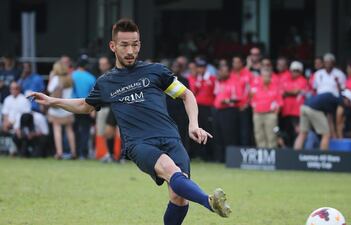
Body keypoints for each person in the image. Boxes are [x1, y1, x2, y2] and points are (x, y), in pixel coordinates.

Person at [29, 18, 231, 224]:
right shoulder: (106, 82)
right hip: (139, 144)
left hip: (171, 138)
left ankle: (204, 201)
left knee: (179, 197)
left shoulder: (156, 72)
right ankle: (209, 202)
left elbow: (187, 95)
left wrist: (194, 124)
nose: (130, 51)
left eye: (135, 44)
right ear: (113, 46)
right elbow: (85, 105)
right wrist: (52, 100)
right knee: (172, 171)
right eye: (124, 45)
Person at [187, 58, 216, 161]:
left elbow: (215, 93)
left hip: (208, 108)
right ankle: (199, 154)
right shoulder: (193, 78)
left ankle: (209, 155)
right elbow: (190, 93)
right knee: (197, 130)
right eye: (198, 67)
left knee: (208, 130)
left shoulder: (212, 79)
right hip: (196, 108)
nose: (200, 69)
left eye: (202, 67)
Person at [47, 61, 76, 159]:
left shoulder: (55, 79)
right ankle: (73, 152)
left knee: (57, 130)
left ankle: (59, 152)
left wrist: (51, 78)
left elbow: (49, 89)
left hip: (57, 108)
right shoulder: (69, 78)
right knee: (69, 130)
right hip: (68, 107)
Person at [213, 63, 241, 162]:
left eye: (223, 71)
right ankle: (219, 159)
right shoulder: (219, 82)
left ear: (228, 72)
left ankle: (231, 159)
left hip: (229, 111)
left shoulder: (234, 82)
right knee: (218, 134)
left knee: (229, 135)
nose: (221, 73)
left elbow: (238, 97)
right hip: (218, 111)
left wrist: (227, 100)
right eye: (220, 71)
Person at [250, 67, 283, 148]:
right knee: (259, 135)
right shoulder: (256, 87)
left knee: (272, 136)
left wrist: (275, 114)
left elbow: (280, 103)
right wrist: (254, 110)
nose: (265, 78)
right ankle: (262, 156)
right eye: (263, 76)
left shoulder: (275, 87)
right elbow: (252, 100)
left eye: (267, 76)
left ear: (270, 77)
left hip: (270, 114)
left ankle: (272, 155)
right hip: (258, 114)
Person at [71, 54, 96, 159]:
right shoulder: (91, 77)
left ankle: (75, 152)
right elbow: (94, 94)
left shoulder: (71, 75)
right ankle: (84, 153)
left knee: (74, 130)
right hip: (86, 106)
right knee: (85, 131)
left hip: (72, 106)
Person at [281, 61, 309, 147]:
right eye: (292, 70)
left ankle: (296, 151)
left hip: (297, 111)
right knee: (286, 132)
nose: (294, 72)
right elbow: (282, 92)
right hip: (286, 110)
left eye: (297, 70)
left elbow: (296, 91)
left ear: (301, 71)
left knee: (297, 132)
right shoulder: (285, 79)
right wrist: (291, 92)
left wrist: (288, 92)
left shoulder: (303, 80)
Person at [230, 55, 254, 146]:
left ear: (242, 63)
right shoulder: (231, 74)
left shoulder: (248, 74)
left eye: (237, 62)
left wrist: (246, 104)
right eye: (234, 62)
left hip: (244, 107)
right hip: (233, 107)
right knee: (234, 130)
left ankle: (245, 151)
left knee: (245, 131)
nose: (235, 64)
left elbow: (253, 91)